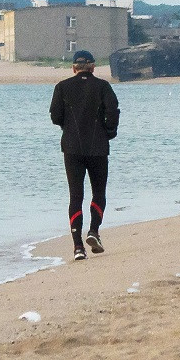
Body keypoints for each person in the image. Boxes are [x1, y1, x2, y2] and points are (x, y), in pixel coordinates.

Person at [50, 50, 120, 260]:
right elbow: (113, 111)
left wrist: (69, 127)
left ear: (73, 68)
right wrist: (109, 132)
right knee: (98, 192)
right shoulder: (103, 86)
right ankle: (94, 231)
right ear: (93, 68)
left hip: (72, 148)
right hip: (98, 147)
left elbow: (55, 116)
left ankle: (78, 247)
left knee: (75, 195)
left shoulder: (62, 87)